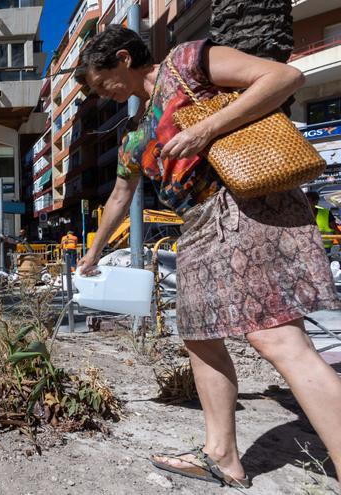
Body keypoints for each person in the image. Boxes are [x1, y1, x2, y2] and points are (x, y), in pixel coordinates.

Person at [74, 26, 341, 487]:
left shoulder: (187, 62)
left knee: (277, 340)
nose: (104, 95)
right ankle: (222, 455)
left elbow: (284, 76)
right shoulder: (135, 138)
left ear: (122, 58)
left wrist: (205, 130)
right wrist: (91, 254)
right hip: (197, 227)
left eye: (102, 84)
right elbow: (120, 196)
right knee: (198, 335)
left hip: (244, 204)